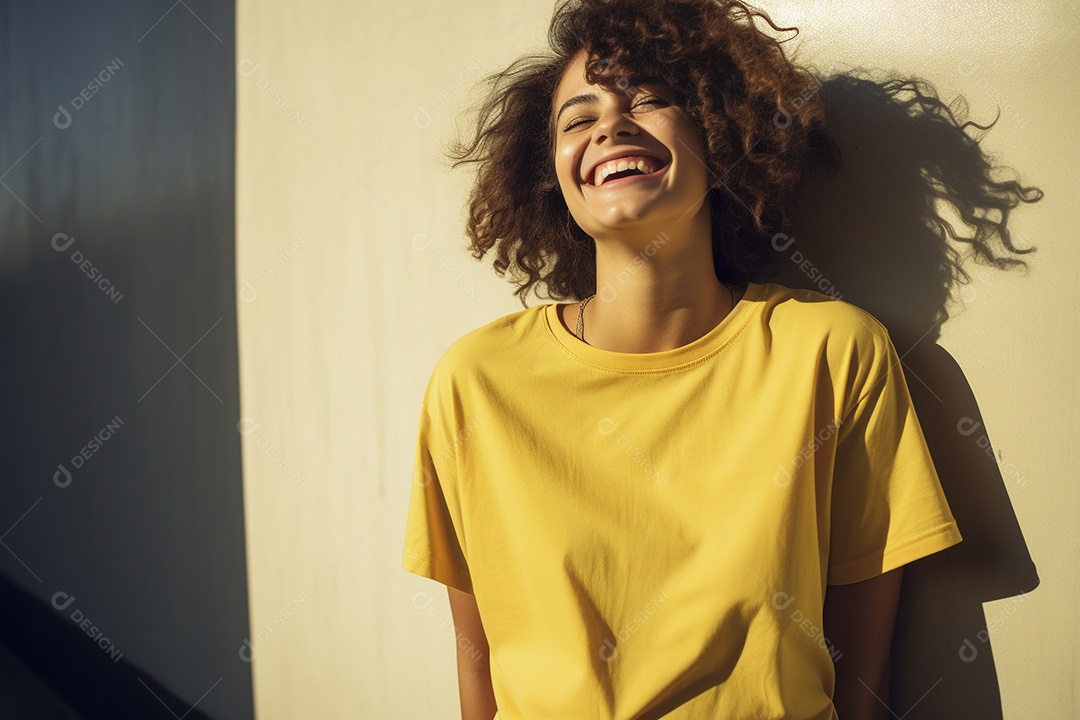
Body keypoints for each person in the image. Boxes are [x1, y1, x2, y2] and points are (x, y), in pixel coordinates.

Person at [402, 0, 962, 718]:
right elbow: (476, 651)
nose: (611, 124)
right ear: (550, 173)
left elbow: (860, 667)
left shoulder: (833, 351)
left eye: (651, 100)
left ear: (721, 138)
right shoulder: (475, 381)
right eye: (578, 118)